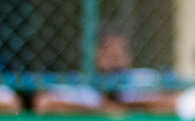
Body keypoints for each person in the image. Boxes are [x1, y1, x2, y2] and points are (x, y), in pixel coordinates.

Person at [35, 27, 175, 115]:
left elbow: (173, 104)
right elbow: (44, 103)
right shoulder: (82, 83)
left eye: (122, 53)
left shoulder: (140, 78)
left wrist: (128, 106)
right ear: (94, 55)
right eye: (110, 55)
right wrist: (101, 108)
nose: (118, 61)